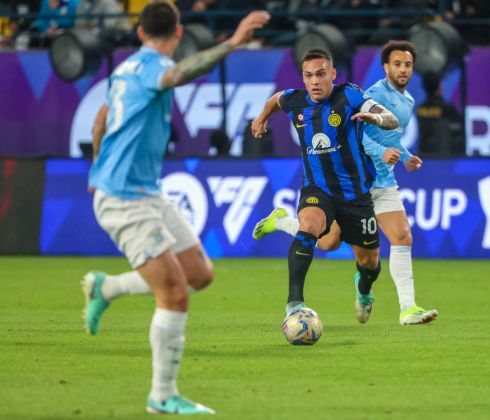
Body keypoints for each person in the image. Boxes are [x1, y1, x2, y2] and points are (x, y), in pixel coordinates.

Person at [83, 1, 269, 414]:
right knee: (173, 295)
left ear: (139, 32)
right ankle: (162, 395)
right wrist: (234, 42)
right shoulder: (151, 69)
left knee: (198, 275)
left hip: (146, 192)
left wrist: (97, 167)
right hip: (125, 200)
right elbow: (179, 73)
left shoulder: (123, 70)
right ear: (179, 32)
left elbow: (100, 121)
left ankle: (107, 287)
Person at [252, 41, 438, 326]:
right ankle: (294, 304)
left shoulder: (366, 96)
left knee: (365, 261)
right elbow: (277, 99)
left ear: (332, 74)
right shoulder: (307, 100)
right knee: (313, 229)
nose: (315, 81)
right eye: (309, 75)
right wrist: (261, 118)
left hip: (359, 190)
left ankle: (363, 289)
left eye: (321, 74)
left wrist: (395, 144)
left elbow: (388, 127)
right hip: (320, 188)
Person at [416, 71, 464, 155]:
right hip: (443, 155)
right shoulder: (446, 108)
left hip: (425, 154)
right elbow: (460, 129)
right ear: (439, 87)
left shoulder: (420, 109)